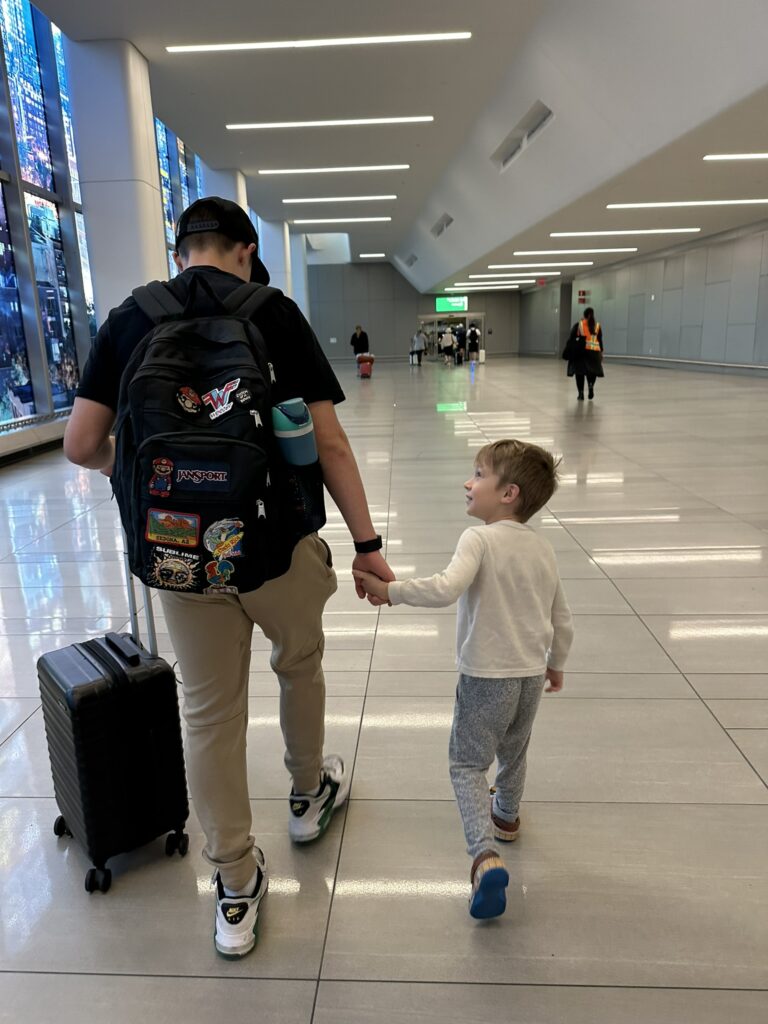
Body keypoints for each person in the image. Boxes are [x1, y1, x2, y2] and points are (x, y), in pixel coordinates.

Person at [63, 196, 394, 959]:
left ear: (182, 251)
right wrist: (368, 545)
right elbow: (332, 445)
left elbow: (83, 445)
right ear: (245, 249)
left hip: (183, 554)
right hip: (276, 541)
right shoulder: (272, 312)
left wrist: (162, 485)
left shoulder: (128, 319)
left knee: (208, 715)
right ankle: (309, 796)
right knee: (298, 664)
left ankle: (235, 887)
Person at [354, 439, 573, 920]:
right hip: (531, 675)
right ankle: (507, 817)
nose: (467, 482)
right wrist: (557, 661)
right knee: (515, 749)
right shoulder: (543, 547)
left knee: (467, 764)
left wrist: (390, 592)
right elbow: (562, 616)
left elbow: (446, 588)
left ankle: (484, 854)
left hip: (485, 676)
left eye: (478, 474)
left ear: (509, 493)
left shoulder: (478, 539)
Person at [565, 307, 604, 400]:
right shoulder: (597, 326)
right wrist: (601, 353)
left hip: (581, 353)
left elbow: (571, 338)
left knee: (580, 373)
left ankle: (581, 393)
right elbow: (600, 341)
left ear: (585, 315)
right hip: (594, 353)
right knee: (593, 372)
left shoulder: (579, 325)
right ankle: (590, 385)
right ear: (592, 315)